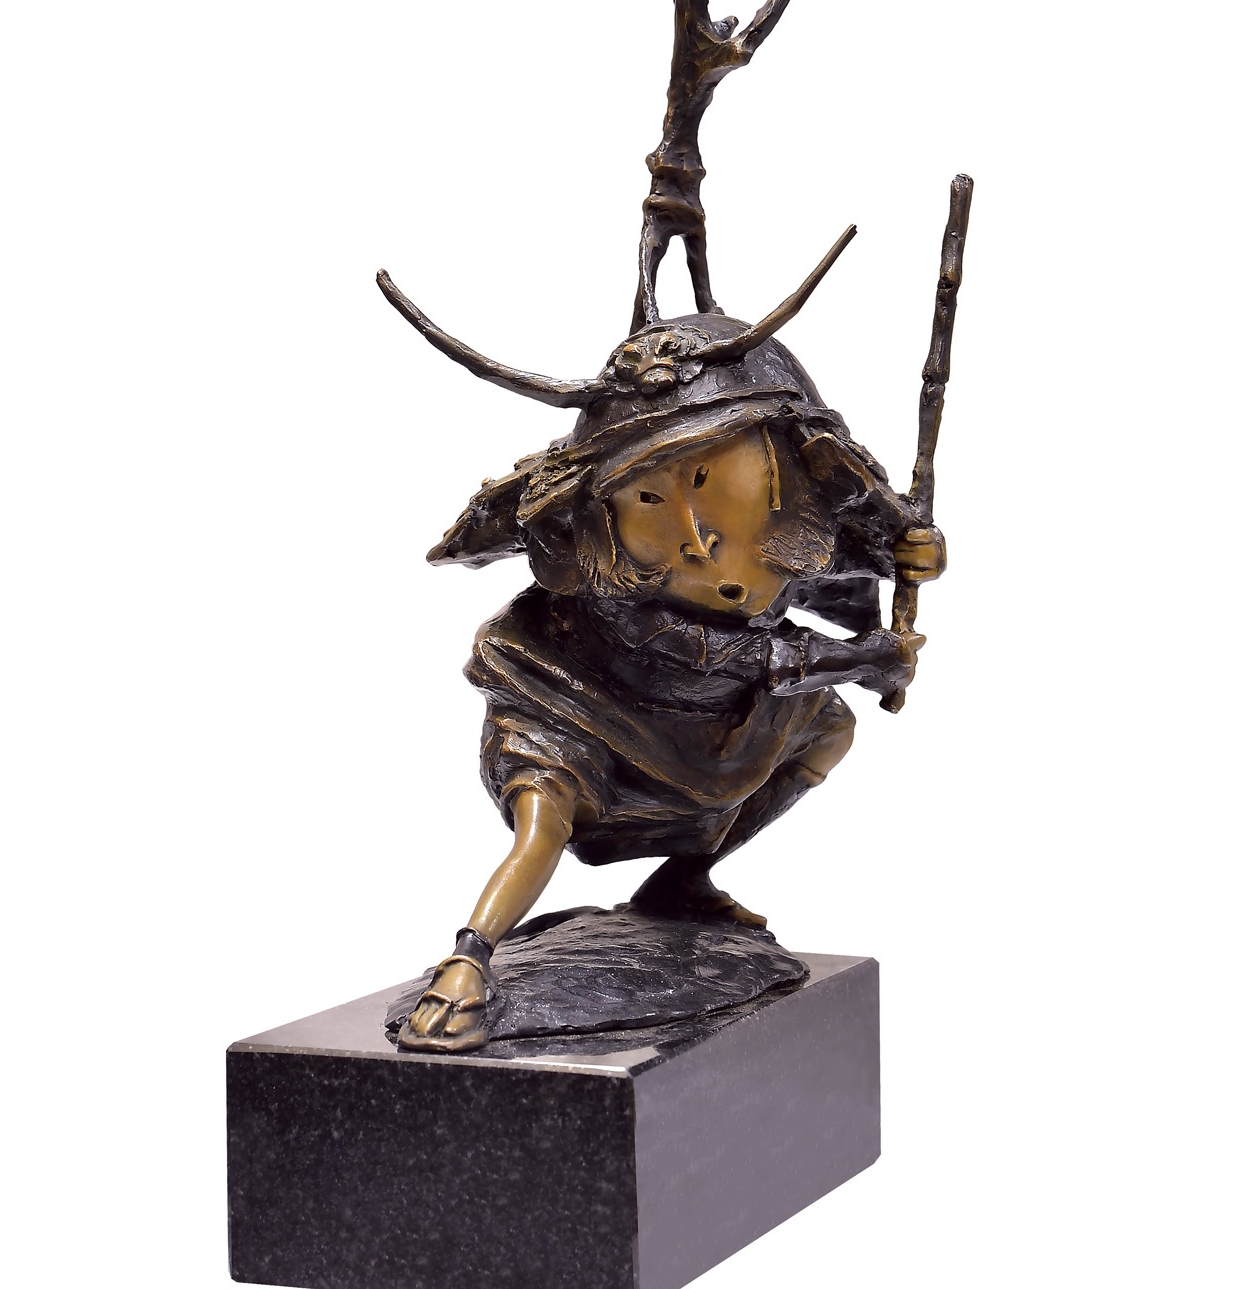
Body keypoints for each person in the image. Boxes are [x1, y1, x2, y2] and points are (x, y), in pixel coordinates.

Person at [375, 274, 946, 1053]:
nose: (695, 534)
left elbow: (858, 557)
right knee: (544, 815)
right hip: (580, 704)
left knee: (826, 733)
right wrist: (865, 658)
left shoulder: (783, 522)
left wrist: (913, 552)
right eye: (649, 499)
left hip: (711, 728)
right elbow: (748, 655)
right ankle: (468, 960)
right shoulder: (616, 581)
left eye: (704, 479)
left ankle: (682, 880)